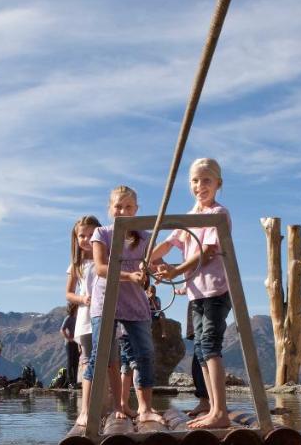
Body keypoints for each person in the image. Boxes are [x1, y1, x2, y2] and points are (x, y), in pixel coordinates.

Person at [152, 158, 231, 430]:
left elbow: (206, 253)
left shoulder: (217, 213)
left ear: (218, 183)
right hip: (197, 294)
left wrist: (175, 272)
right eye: (195, 181)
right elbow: (168, 243)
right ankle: (211, 405)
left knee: (210, 346)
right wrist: (145, 260)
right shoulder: (190, 216)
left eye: (207, 180)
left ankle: (220, 411)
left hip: (215, 291)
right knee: (200, 350)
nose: (201, 186)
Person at [85, 185, 160, 425]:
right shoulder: (102, 234)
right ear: (110, 209)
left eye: (128, 207)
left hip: (135, 304)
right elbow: (100, 268)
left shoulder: (145, 236)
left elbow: (155, 265)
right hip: (105, 303)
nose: (123, 211)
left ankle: (145, 408)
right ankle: (87, 411)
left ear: (136, 210)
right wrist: (130, 276)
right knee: (101, 357)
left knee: (145, 354)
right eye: (118, 206)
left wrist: (160, 270)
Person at [65, 215, 101, 408]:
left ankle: (106, 403)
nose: (86, 240)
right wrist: (83, 299)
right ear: (76, 239)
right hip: (86, 318)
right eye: (82, 236)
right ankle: (87, 407)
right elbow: (69, 294)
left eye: (91, 235)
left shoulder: (105, 259)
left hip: (106, 314)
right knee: (87, 359)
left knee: (110, 360)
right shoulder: (76, 265)